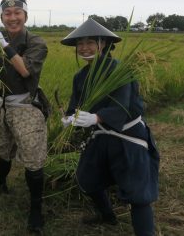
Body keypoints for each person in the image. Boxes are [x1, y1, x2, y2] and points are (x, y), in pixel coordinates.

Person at [60, 18, 159, 236]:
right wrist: (69, 118)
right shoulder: (80, 76)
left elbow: (122, 106)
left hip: (128, 136)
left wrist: (96, 118)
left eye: (90, 42)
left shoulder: (119, 70)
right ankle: (107, 215)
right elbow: (74, 105)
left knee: (138, 192)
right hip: (101, 136)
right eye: (80, 44)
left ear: (102, 43)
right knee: (88, 178)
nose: (84, 48)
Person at [0, 0, 48, 234]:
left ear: (25, 16)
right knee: (1, 147)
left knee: (32, 157)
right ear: (1, 17)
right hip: (3, 103)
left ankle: (35, 209)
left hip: (26, 105)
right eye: (7, 14)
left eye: (17, 13)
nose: (12, 18)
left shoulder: (36, 42)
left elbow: (24, 71)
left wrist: (3, 44)